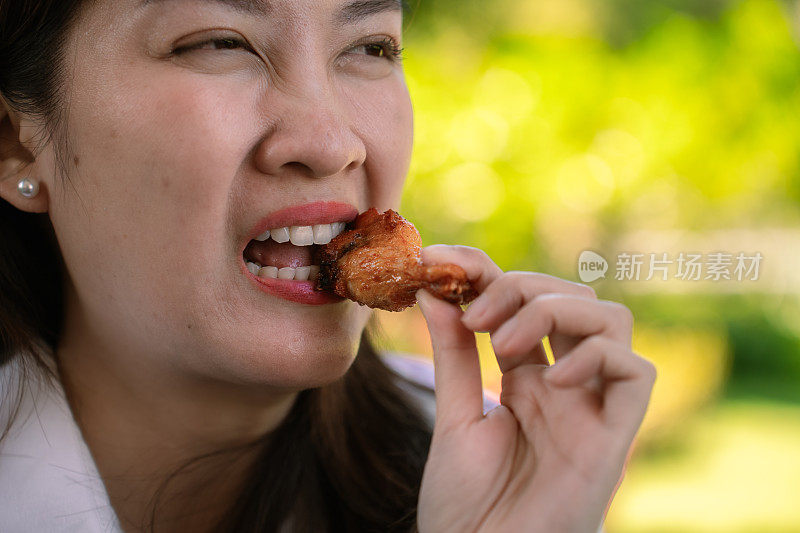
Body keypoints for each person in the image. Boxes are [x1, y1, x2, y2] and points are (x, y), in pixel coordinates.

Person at [0, 0, 656, 531]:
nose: (330, 142)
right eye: (219, 42)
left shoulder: (477, 464)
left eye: (371, 47)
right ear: (13, 142)